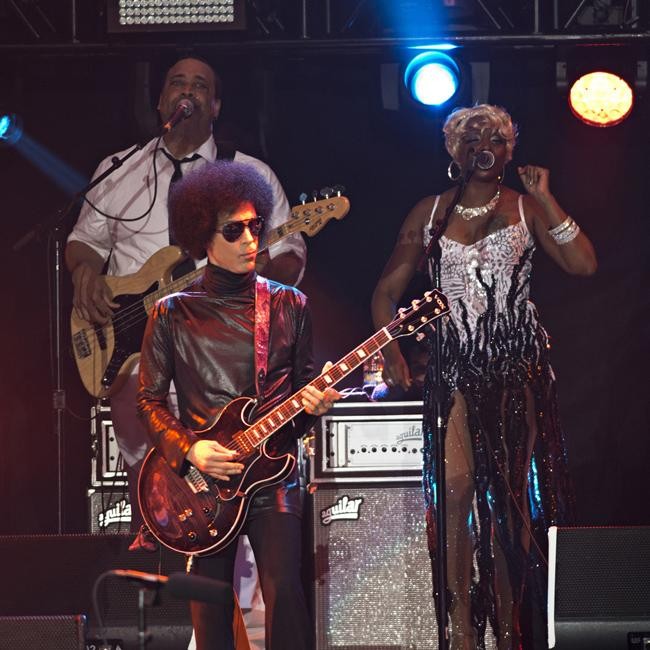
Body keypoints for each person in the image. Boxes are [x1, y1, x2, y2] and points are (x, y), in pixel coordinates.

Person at [371, 104, 596, 649]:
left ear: (509, 149)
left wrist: (546, 197)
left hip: (515, 371)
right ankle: (461, 632)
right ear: (455, 151)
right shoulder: (430, 212)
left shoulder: (524, 207)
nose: (483, 145)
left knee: (508, 506)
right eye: (471, 138)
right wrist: (390, 346)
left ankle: (512, 630)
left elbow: (583, 265)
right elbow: (384, 294)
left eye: (494, 137)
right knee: (454, 492)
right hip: (454, 369)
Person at [65, 56, 306, 541]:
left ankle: (218, 558)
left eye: (200, 85)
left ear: (214, 106)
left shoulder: (249, 173)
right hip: (133, 345)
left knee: (225, 471)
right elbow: (83, 241)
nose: (187, 90)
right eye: (177, 82)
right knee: (146, 462)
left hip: (221, 351)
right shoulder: (118, 169)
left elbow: (290, 255)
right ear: (161, 101)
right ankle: (154, 549)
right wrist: (85, 272)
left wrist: (258, 272)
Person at [137, 159, 339, 650]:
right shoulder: (171, 312)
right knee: (210, 612)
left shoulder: (290, 305)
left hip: (273, 476)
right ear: (203, 238)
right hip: (203, 484)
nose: (251, 240)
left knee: (285, 595)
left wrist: (314, 406)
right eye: (234, 230)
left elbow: (303, 391)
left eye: (255, 226)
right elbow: (148, 400)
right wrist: (190, 449)